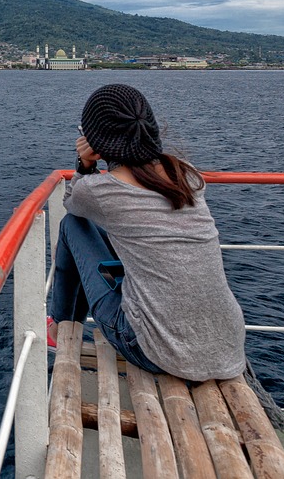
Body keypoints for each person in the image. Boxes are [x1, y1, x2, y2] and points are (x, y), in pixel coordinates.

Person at [47, 84, 246, 382]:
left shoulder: (100, 191)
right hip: (226, 346)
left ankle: (60, 324)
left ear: (95, 141)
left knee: (72, 225)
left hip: (155, 350)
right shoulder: (187, 174)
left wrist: (86, 164)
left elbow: (74, 203)